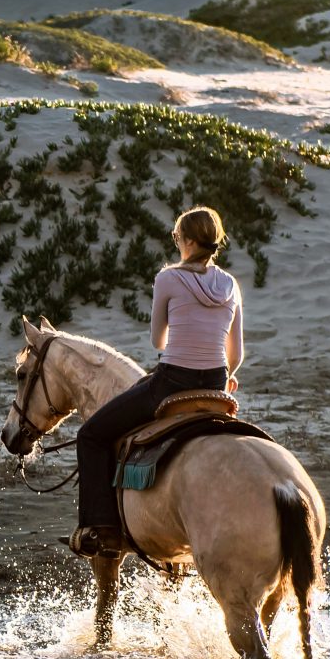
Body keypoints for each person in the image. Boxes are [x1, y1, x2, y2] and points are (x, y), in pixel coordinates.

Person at [70, 205, 244, 557]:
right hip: (215, 385)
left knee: (90, 435)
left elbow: (158, 341)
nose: (177, 243)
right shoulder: (230, 284)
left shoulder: (168, 278)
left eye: (178, 238)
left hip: (172, 383)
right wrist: (227, 376)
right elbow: (236, 353)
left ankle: (100, 529)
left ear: (191, 241)